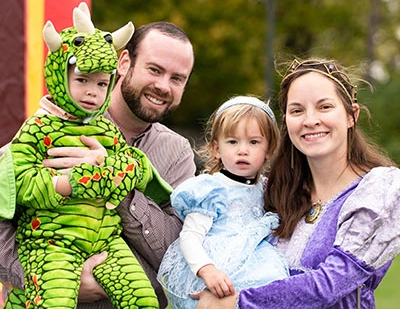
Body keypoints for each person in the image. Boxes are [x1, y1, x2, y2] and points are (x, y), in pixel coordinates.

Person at [0, 17, 196, 308]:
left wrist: (115, 183)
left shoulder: (177, 152)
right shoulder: (49, 126)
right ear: (124, 62)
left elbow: (178, 252)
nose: (163, 86)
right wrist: (54, 281)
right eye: (154, 70)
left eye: (177, 78)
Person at [195, 58, 400, 309]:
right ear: (287, 123)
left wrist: (238, 303)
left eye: (324, 107)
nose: (310, 120)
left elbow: (329, 285)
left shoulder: (379, 190)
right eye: (297, 110)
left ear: (351, 115)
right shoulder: (275, 192)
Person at [157, 95, 289, 309]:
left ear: (269, 151)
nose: (242, 150)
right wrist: (207, 270)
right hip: (215, 266)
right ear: (216, 149)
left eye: (254, 142)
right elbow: (190, 236)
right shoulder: (211, 188)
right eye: (232, 141)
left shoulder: (266, 188)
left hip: (254, 262)